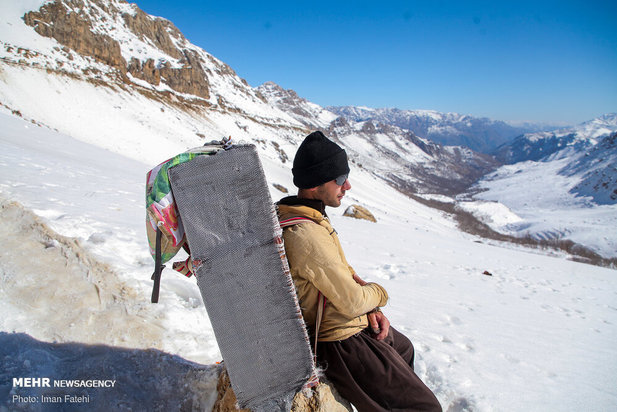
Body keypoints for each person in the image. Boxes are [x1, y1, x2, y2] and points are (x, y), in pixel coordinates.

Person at [277, 131, 442, 412]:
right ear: (318, 182)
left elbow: (342, 279)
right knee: (426, 408)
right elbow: (351, 300)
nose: (348, 185)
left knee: (403, 348)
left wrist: (370, 312)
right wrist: (379, 295)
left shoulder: (311, 218)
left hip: (347, 324)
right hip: (340, 341)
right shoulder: (305, 233)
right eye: (340, 179)